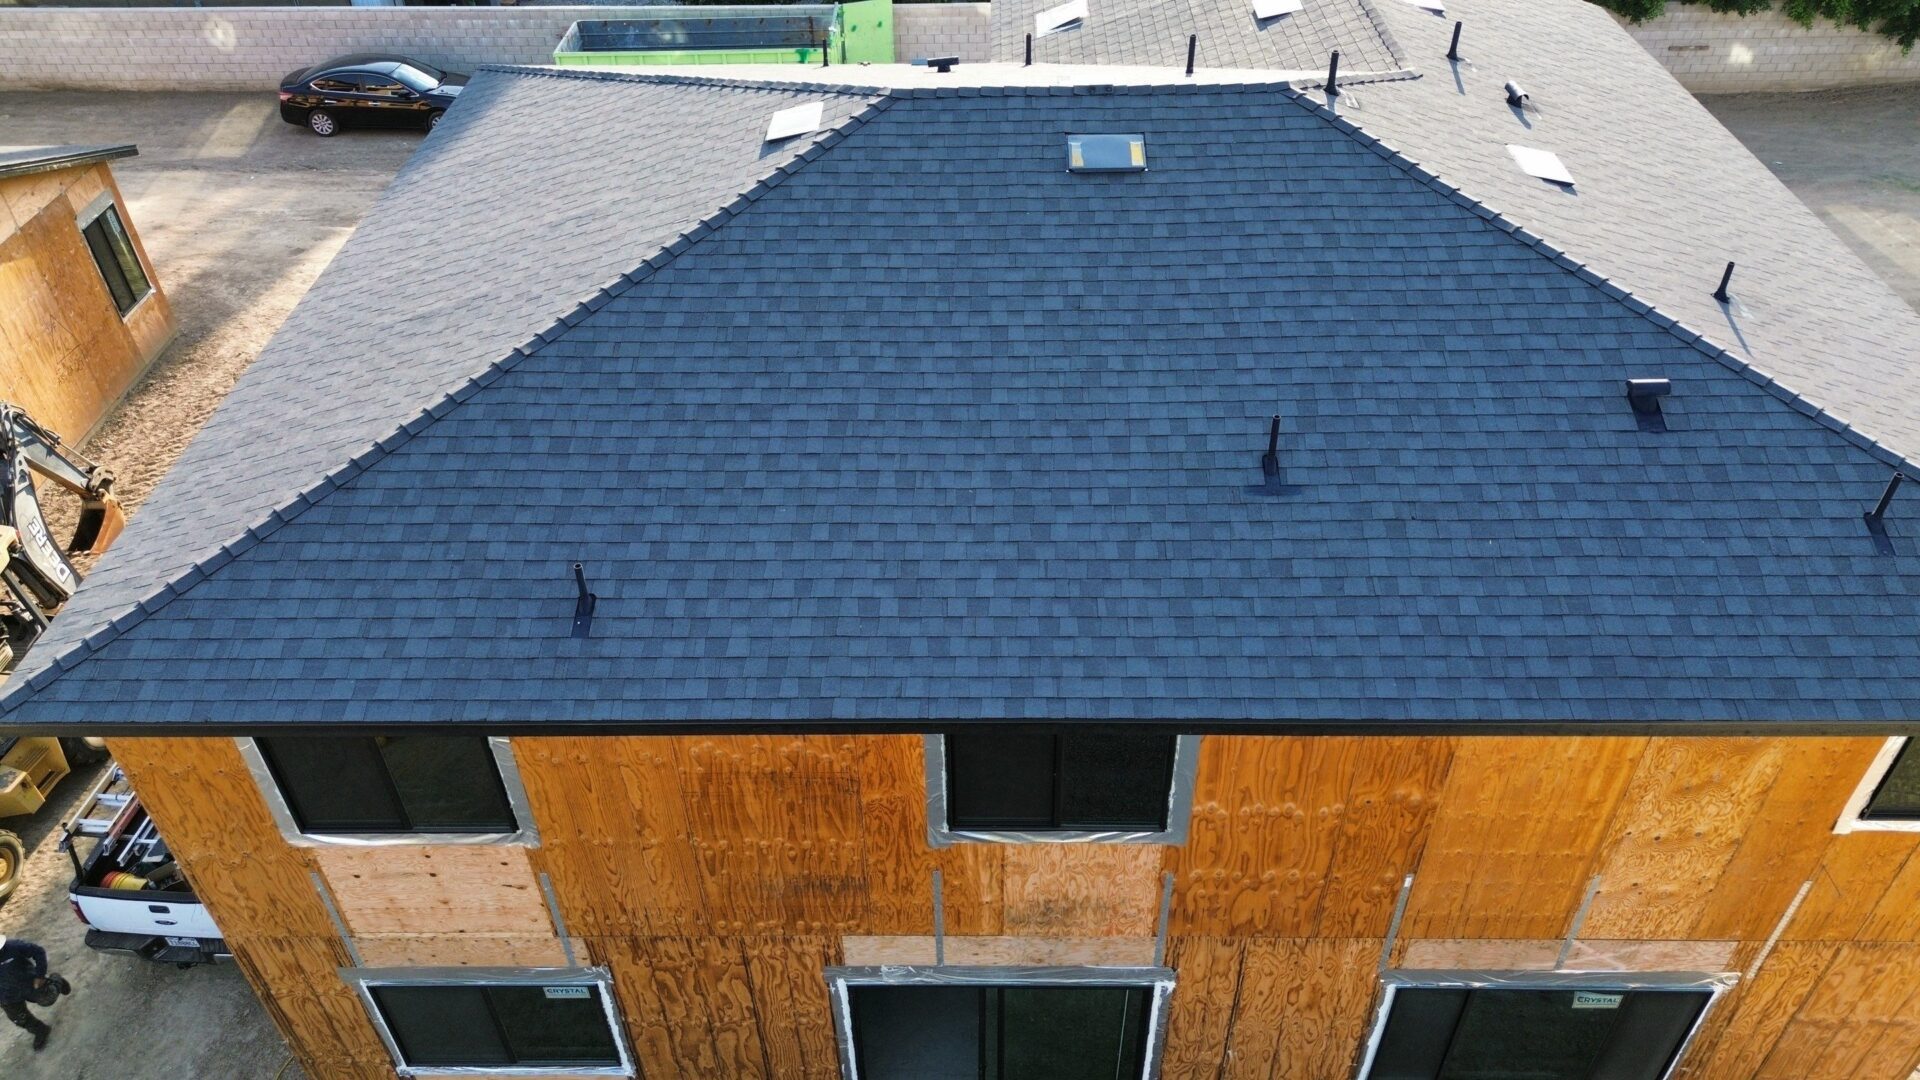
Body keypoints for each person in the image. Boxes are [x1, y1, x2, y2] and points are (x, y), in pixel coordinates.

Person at [0, 935, 64, 1051]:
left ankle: (56, 981)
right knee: (19, 1018)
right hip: (6, 995)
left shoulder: (13, 947)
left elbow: (38, 951)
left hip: (28, 984)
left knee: (47, 999)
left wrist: (40, 975)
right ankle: (40, 1030)